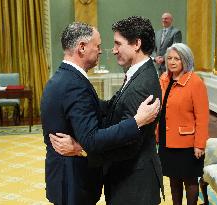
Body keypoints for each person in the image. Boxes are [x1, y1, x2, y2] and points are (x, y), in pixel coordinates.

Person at [40, 22, 160, 205]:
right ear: (81, 47)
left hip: (131, 181)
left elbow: (128, 141)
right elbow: (91, 138)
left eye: (117, 44)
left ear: (136, 44)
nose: (105, 51)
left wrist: (80, 148)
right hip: (72, 181)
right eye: (97, 46)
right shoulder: (74, 83)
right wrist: (136, 122)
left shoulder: (64, 77)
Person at [156, 43, 209, 205]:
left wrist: (199, 144)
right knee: (173, 177)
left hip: (187, 141)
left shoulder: (195, 82)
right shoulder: (164, 79)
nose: (172, 62)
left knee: (190, 180)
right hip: (166, 138)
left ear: (185, 61)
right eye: (169, 58)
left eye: (177, 59)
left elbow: (202, 116)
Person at [154, 12, 182, 77]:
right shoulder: (157, 33)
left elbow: (175, 48)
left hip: (169, 65)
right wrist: (156, 58)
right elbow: (153, 48)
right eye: (162, 19)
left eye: (166, 19)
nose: (164, 20)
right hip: (158, 66)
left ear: (171, 20)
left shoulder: (176, 32)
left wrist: (164, 58)